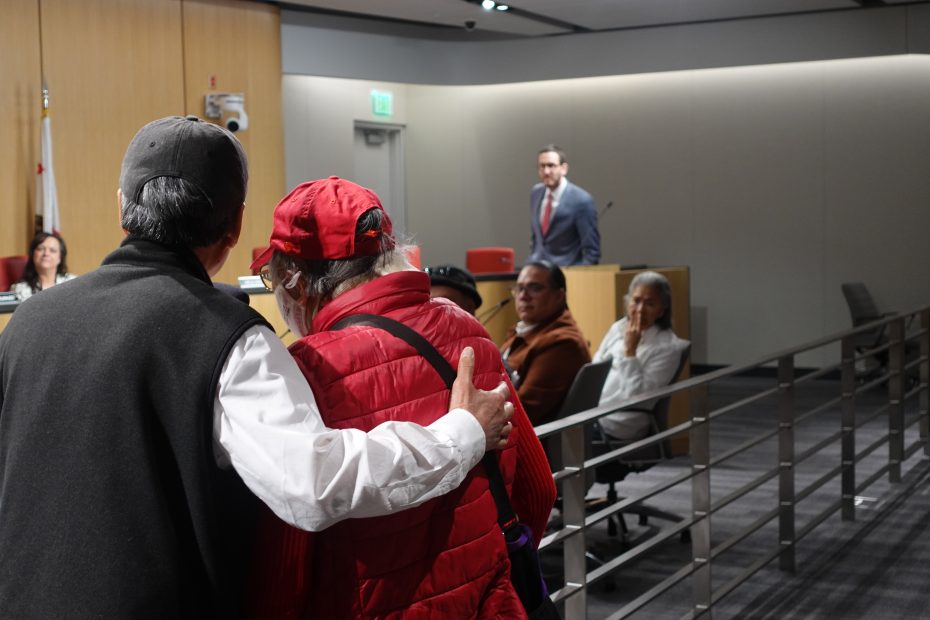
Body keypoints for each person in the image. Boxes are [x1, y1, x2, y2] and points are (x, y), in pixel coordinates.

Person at [0, 116, 514, 618]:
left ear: (122, 208)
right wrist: (461, 435)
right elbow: (314, 484)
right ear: (235, 224)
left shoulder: (27, 320)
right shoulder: (227, 334)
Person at [247, 177, 555, 619]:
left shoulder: (307, 369)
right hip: (487, 605)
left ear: (295, 282)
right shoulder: (468, 330)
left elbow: (289, 562)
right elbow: (538, 491)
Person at [592, 271, 689, 441]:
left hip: (618, 423)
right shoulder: (618, 328)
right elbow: (595, 367)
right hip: (591, 413)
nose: (640, 310)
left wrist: (630, 353)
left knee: (555, 448)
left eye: (650, 304)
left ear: (662, 309)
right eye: (636, 301)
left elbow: (638, 399)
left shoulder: (668, 347)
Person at [500, 260, 591, 426]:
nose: (523, 296)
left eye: (535, 288)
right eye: (519, 288)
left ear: (559, 296)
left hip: (529, 442)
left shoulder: (562, 343)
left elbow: (524, 410)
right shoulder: (528, 328)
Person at [528, 144, 600, 266]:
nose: (546, 171)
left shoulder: (581, 200)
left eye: (551, 166)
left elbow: (592, 252)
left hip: (566, 275)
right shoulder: (536, 193)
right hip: (538, 271)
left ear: (564, 169)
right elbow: (537, 238)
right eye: (542, 166)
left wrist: (576, 277)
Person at [10, 231, 76, 301]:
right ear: (33, 255)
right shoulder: (20, 289)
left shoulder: (73, 283)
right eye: (40, 249)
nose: (46, 253)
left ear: (60, 258)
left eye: (52, 250)